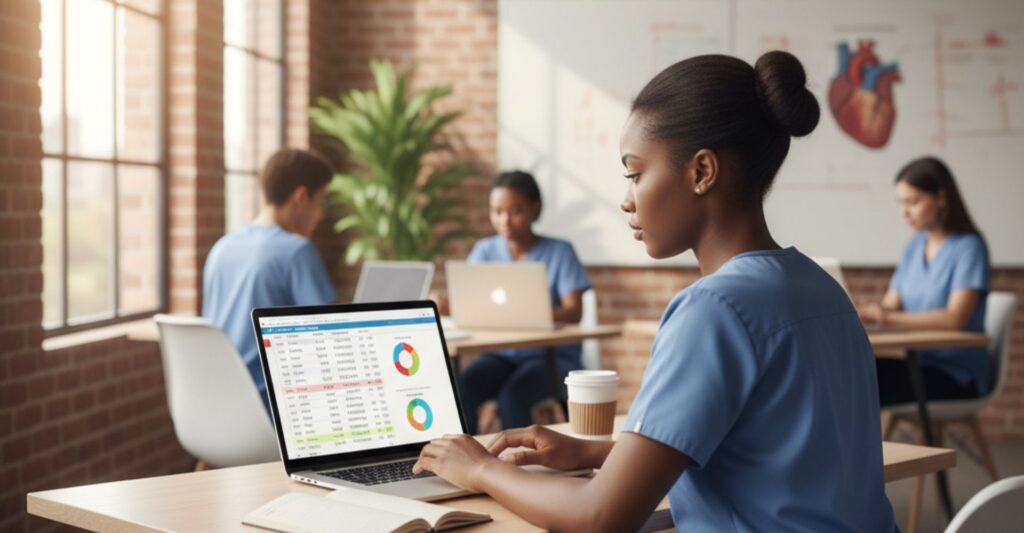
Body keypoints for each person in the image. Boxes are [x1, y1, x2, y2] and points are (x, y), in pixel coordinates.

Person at [411, 51, 897, 532]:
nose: (627, 200)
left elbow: (599, 516)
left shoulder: (713, 310)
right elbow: (768, 456)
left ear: (702, 172)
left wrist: (480, 468)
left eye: (635, 174)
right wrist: (598, 452)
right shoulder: (821, 288)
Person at [455, 170, 591, 434]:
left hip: (552, 357)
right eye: (497, 212)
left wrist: (529, 314)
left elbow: (574, 311)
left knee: (513, 396)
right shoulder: (484, 251)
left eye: (515, 211)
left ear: (534, 208)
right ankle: (464, 453)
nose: (504, 221)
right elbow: (470, 304)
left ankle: (519, 458)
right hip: (500, 354)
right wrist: (447, 305)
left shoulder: (560, 251)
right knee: (462, 389)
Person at [203, 148, 337, 413]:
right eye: (320, 202)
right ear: (301, 197)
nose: (320, 215)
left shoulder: (221, 248)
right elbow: (333, 339)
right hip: (271, 410)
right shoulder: (297, 251)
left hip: (215, 406)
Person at [858, 156, 991, 406]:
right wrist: (866, 311)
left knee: (861, 382)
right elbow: (890, 305)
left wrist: (886, 317)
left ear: (941, 198)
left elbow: (954, 318)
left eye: (913, 202)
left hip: (956, 373)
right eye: (901, 203)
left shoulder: (969, 247)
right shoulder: (915, 245)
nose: (904, 212)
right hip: (918, 364)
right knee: (852, 370)